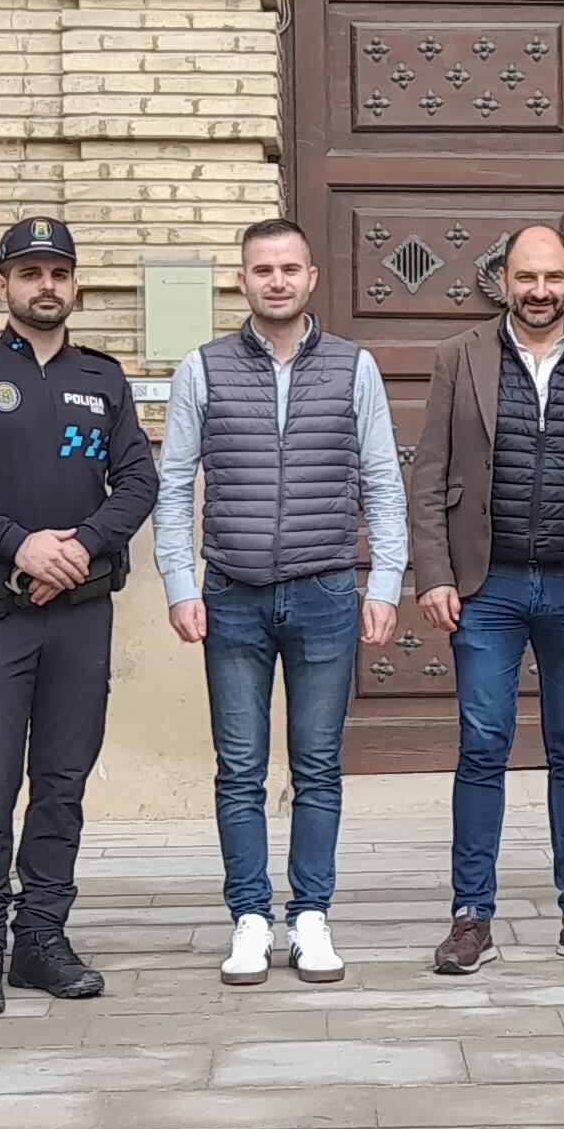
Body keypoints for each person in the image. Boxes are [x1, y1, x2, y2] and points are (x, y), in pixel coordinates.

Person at [153, 218, 407, 988]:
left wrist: (385, 581)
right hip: (230, 594)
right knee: (239, 768)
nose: (276, 280)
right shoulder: (202, 369)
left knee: (320, 765)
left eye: (290, 267)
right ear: (243, 280)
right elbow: (174, 485)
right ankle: (249, 918)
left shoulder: (354, 368)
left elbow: (383, 481)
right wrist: (178, 583)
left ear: (311, 279)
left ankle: (311, 917)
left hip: (327, 591)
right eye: (262, 268)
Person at [409, 224, 564, 974]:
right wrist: (434, 573)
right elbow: (429, 475)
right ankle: (470, 916)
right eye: (526, 278)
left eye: (552, 277)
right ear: (502, 281)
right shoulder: (460, 358)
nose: (540, 291)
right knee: (483, 746)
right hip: (488, 587)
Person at [0, 217, 157, 1016]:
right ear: (3, 284)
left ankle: (42, 938)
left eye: (58, 271)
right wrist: (22, 546)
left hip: (80, 613)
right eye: (30, 272)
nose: (45, 285)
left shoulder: (105, 377)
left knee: (61, 783)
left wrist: (82, 547)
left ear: (76, 283)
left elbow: (137, 482)